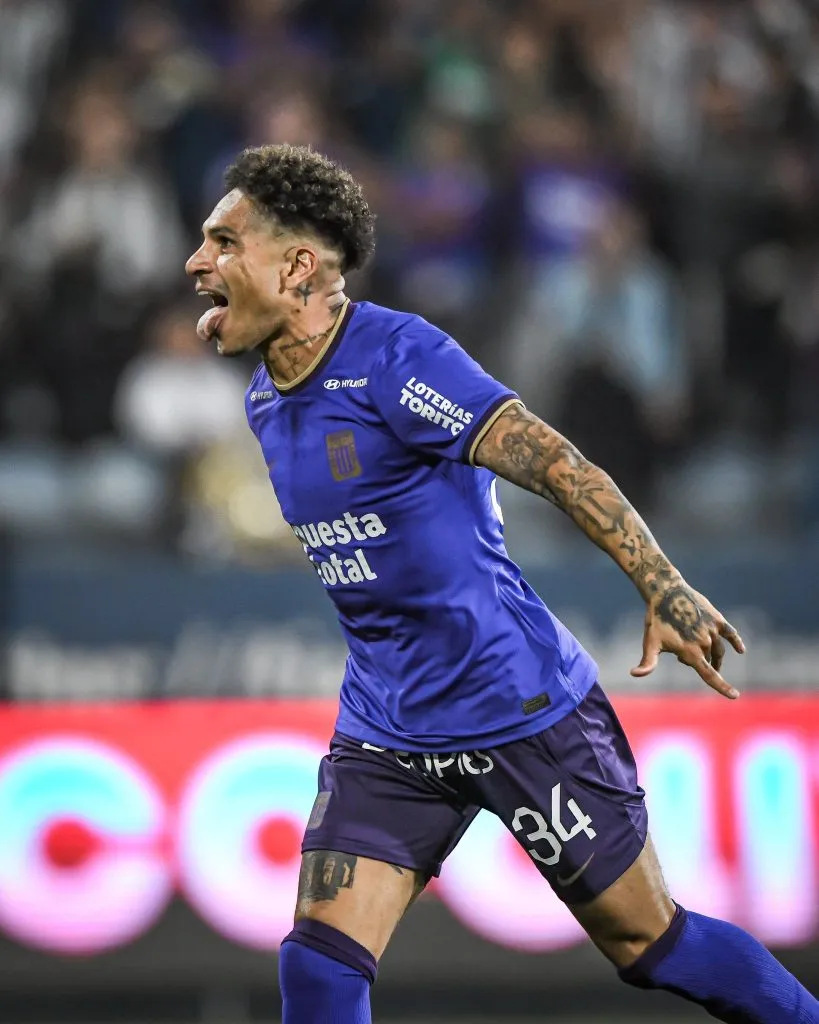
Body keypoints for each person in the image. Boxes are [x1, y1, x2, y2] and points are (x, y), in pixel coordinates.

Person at [185, 144, 818, 1024]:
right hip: (387, 727)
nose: (196, 262)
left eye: (222, 241)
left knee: (650, 946)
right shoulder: (264, 400)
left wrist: (661, 583)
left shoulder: (399, 357)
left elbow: (552, 460)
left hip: (518, 711)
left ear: (296, 266)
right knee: (320, 965)